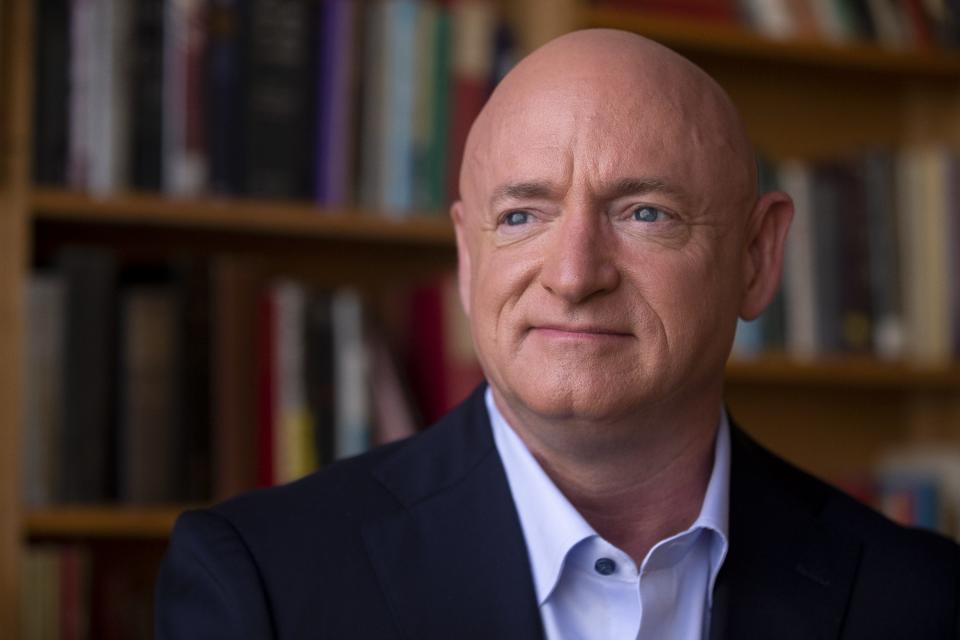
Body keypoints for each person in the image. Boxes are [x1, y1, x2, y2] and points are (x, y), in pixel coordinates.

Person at [156, 29, 960, 639]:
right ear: (469, 260)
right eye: (522, 216)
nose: (574, 275)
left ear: (756, 258)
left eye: (645, 213)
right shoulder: (263, 586)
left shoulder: (925, 600)